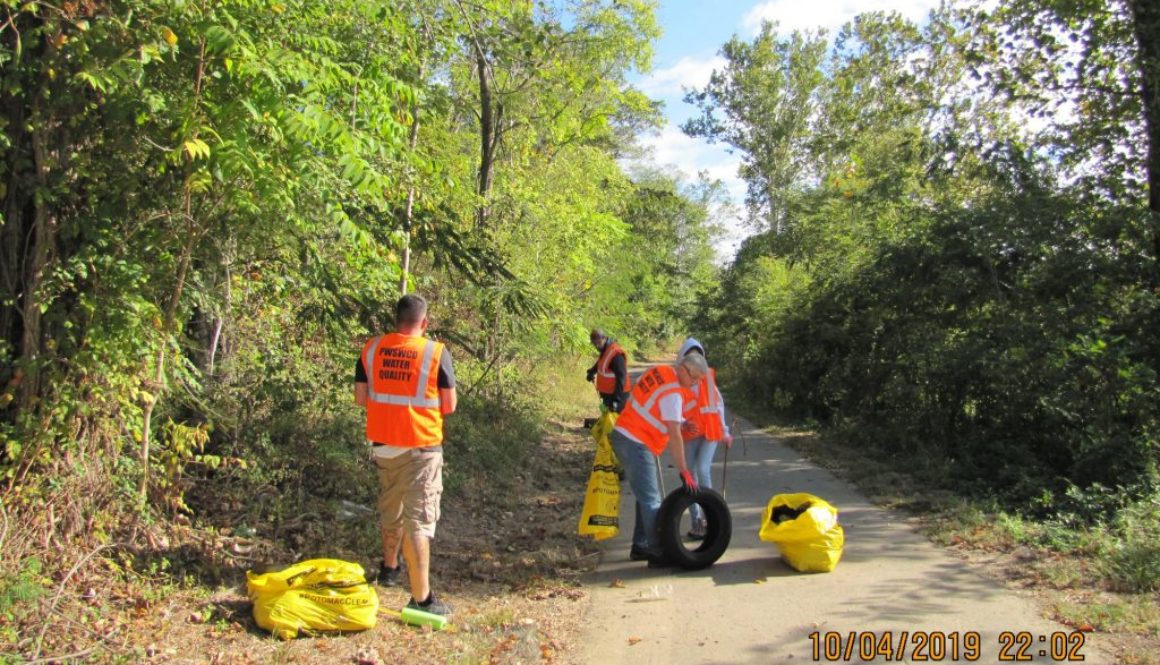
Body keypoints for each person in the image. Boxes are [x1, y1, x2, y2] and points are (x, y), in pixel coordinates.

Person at [355, 294, 456, 617]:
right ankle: (421, 600)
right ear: (424, 323)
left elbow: (361, 398)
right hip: (421, 448)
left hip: (384, 447)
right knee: (418, 521)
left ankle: (389, 568)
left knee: (391, 506)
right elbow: (449, 405)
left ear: (396, 321)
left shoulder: (372, 349)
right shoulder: (435, 353)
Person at [609, 352, 709, 566]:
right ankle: (657, 552)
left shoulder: (660, 371)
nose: (695, 384)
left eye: (699, 380)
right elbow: (674, 436)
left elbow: (653, 403)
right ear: (683, 369)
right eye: (694, 378)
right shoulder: (674, 392)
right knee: (652, 500)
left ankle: (640, 545)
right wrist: (684, 471)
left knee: (643, 494)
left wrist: (680, 422)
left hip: (625, 435)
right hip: (636, 441)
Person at [677, 338, 732, 540]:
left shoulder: (707, 378)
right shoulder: (678, 380)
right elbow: (673, 409)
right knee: (689, 474)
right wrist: (681, 423)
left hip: (710, 431)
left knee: (702, 468)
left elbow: (718, 405)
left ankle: (710, 516)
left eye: (698, 355)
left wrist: (725, 433)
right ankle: (696, 520)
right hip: (690, 433)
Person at [586, 329, 629, 413]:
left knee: (617, 422)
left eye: (598, 343)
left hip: (618, 395)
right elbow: (602, 363)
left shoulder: (616, 354)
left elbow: (621, 377)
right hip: (608, 395)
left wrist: (616, 400)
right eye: (594, 344)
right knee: (609, 420)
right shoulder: (606, 350)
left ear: (604, 338)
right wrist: (592, 371)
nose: (597, 346)